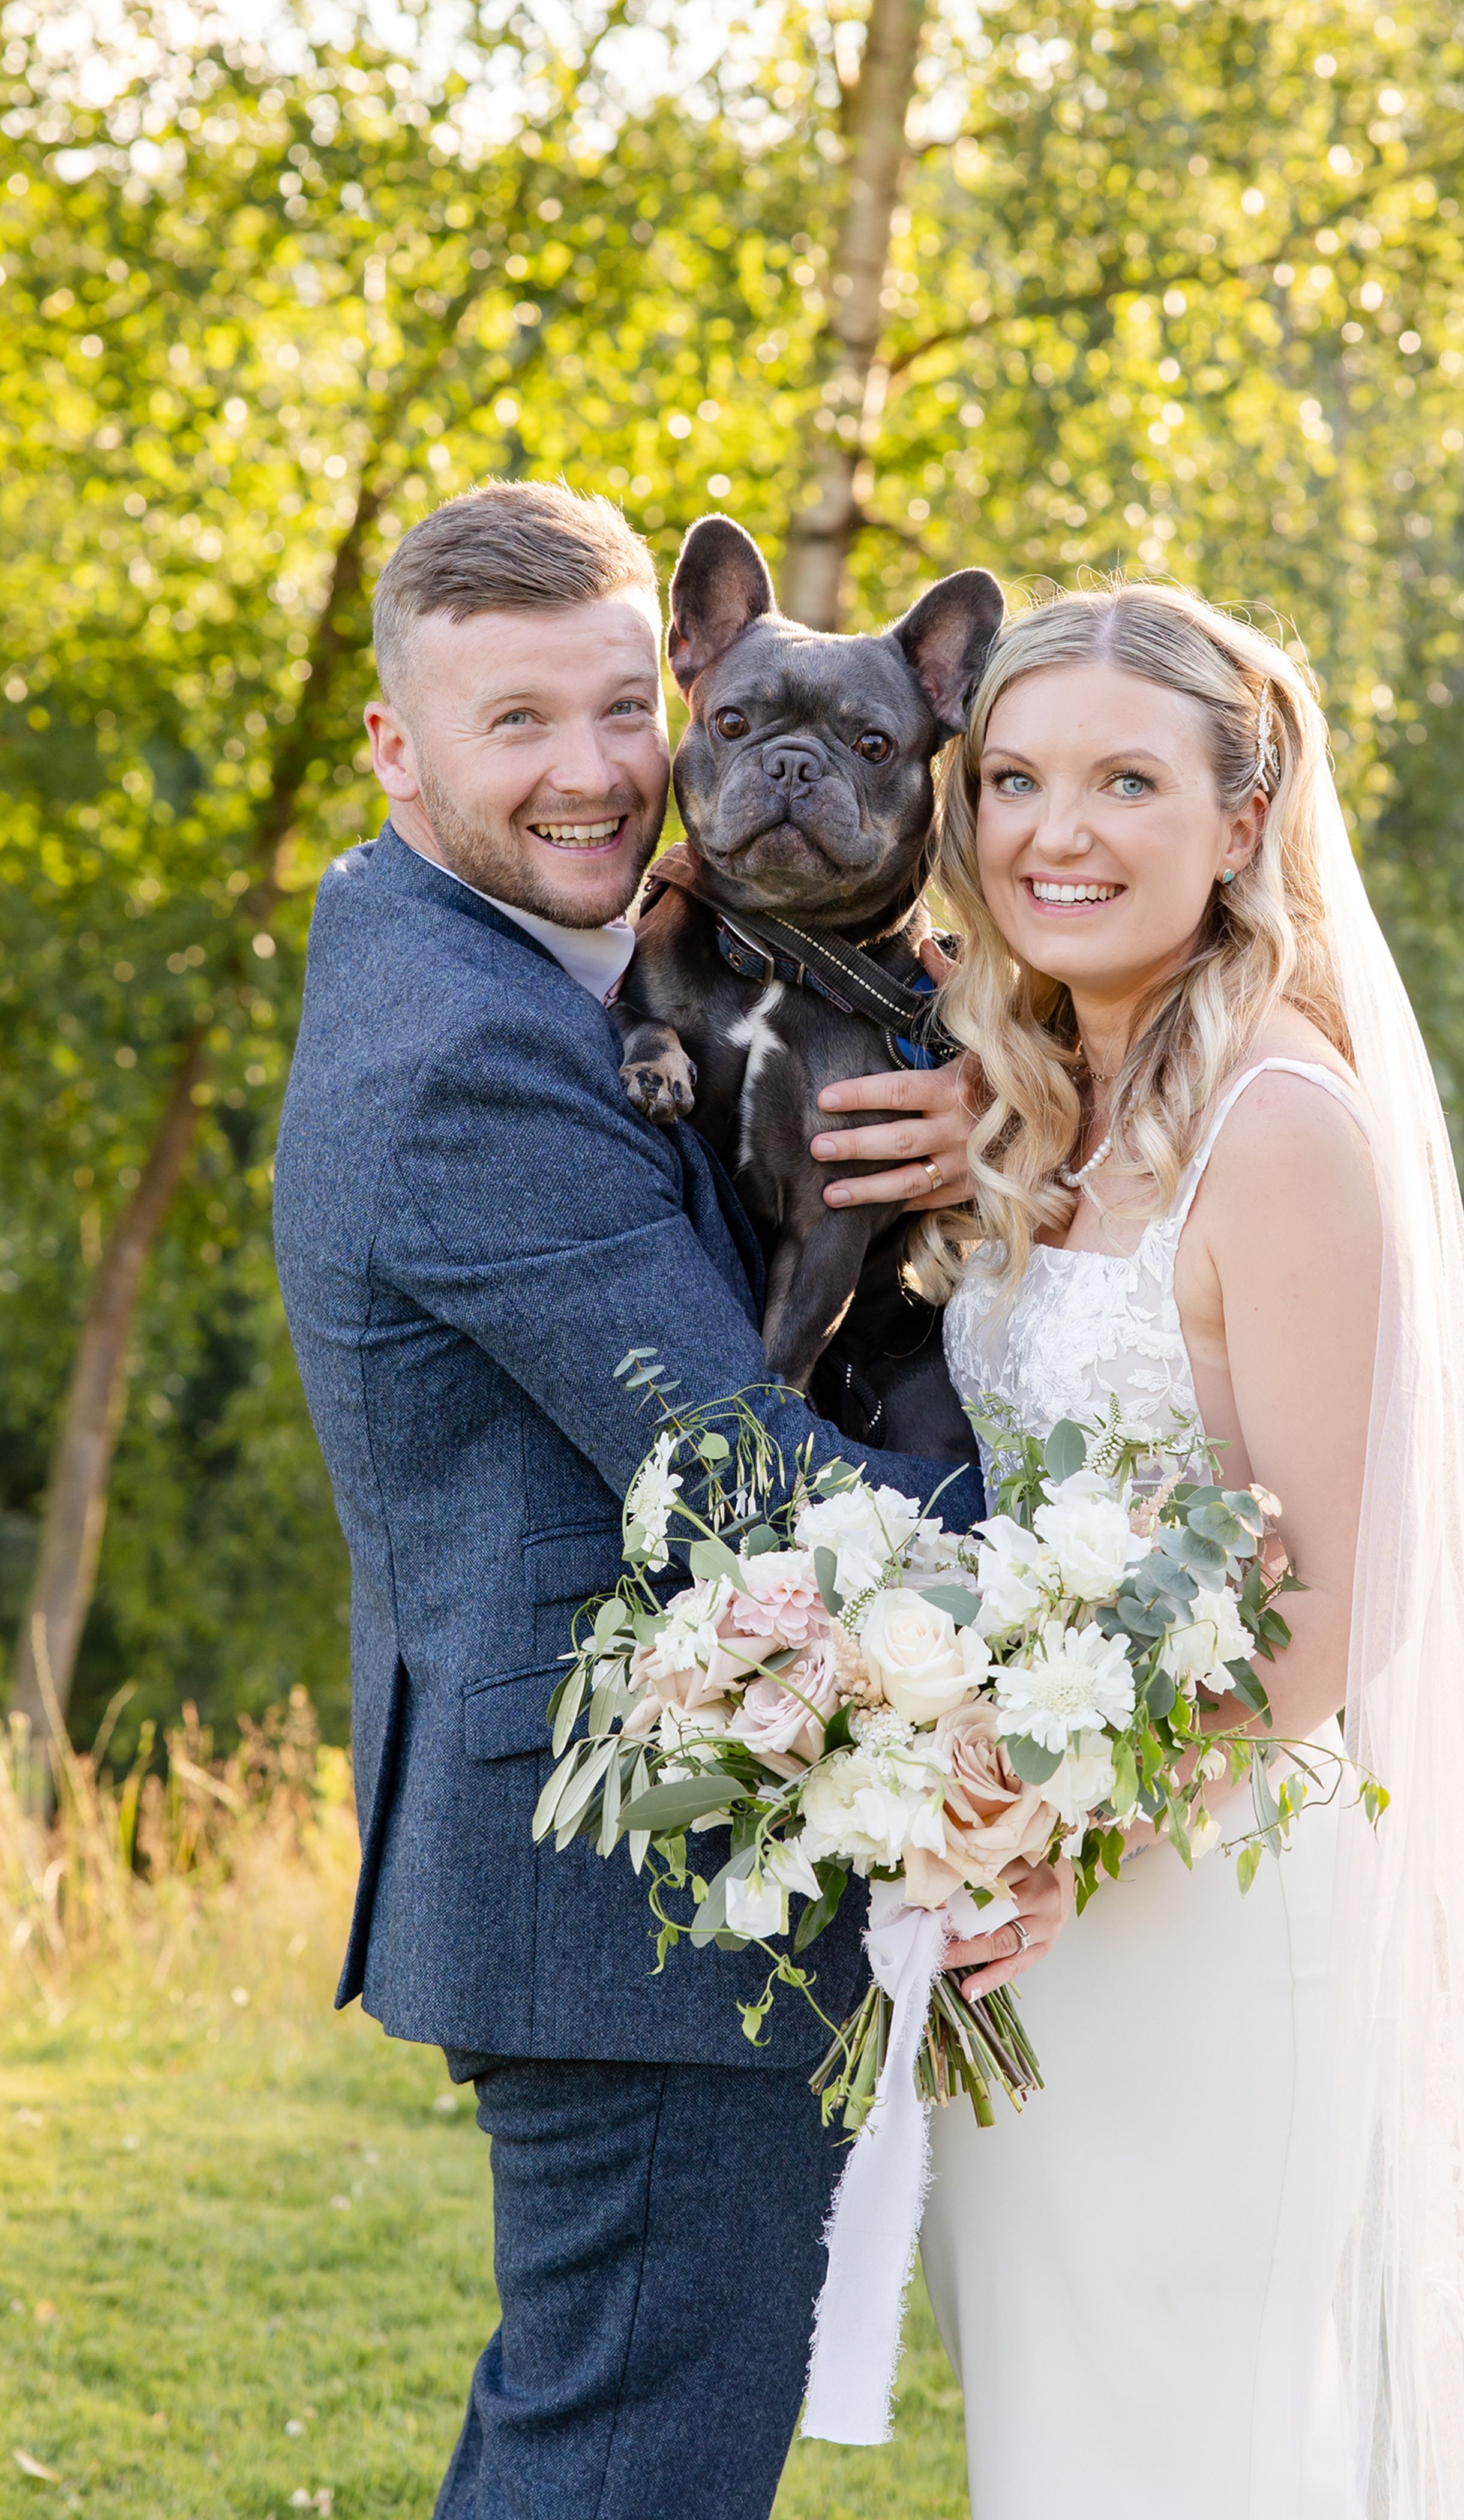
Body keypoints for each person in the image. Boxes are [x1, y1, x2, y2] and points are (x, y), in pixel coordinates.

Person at [907, 583, 1464, 2518]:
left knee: (1210, 2442)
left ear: (1243, 820)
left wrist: (1068, 1833)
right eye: (1010, 779)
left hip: (1212, 1902)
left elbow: (1337, 1607)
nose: (1049, 833)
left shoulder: (1285, 1126)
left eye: (1123, 782)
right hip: (1025, 1918)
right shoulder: (1028, 1105)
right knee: (1058, 2421)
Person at [271, 478, 992, 2520]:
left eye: (615, 710)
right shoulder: (464, 1051)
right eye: (515, 725)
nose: (593, 775)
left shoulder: (542, 961)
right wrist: (1121, 1595)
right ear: (397, 747)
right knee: (629, 2468)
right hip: (632, 1890)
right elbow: (741, 1477)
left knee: (592, 2441)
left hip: (619, 1859)